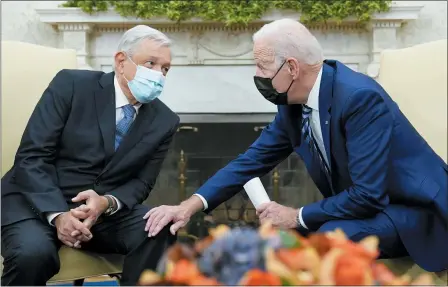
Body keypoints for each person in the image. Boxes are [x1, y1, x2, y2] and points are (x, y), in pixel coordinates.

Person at [144, 19, 448, 273]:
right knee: (272, 242)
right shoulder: (292, 105)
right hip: (369, 207)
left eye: (262, 67)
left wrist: (295, 216)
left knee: (325, 239)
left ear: (292, 67)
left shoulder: (358, 98)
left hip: (415, 212)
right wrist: (188, 206)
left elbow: (368, 195)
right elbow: (249, 162)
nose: (257, 76)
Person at [1, 25, 180, 286]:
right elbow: (32, 157)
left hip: (101, 214)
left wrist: (106, 203)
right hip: (36, 202)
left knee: (158, 227)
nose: (158, 75)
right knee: (33, 254)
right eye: (150, 63)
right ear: (121, 61)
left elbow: (141, 183)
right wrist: (59, 214)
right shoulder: (71, 85)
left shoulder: (165, 120)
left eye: (165, 69)